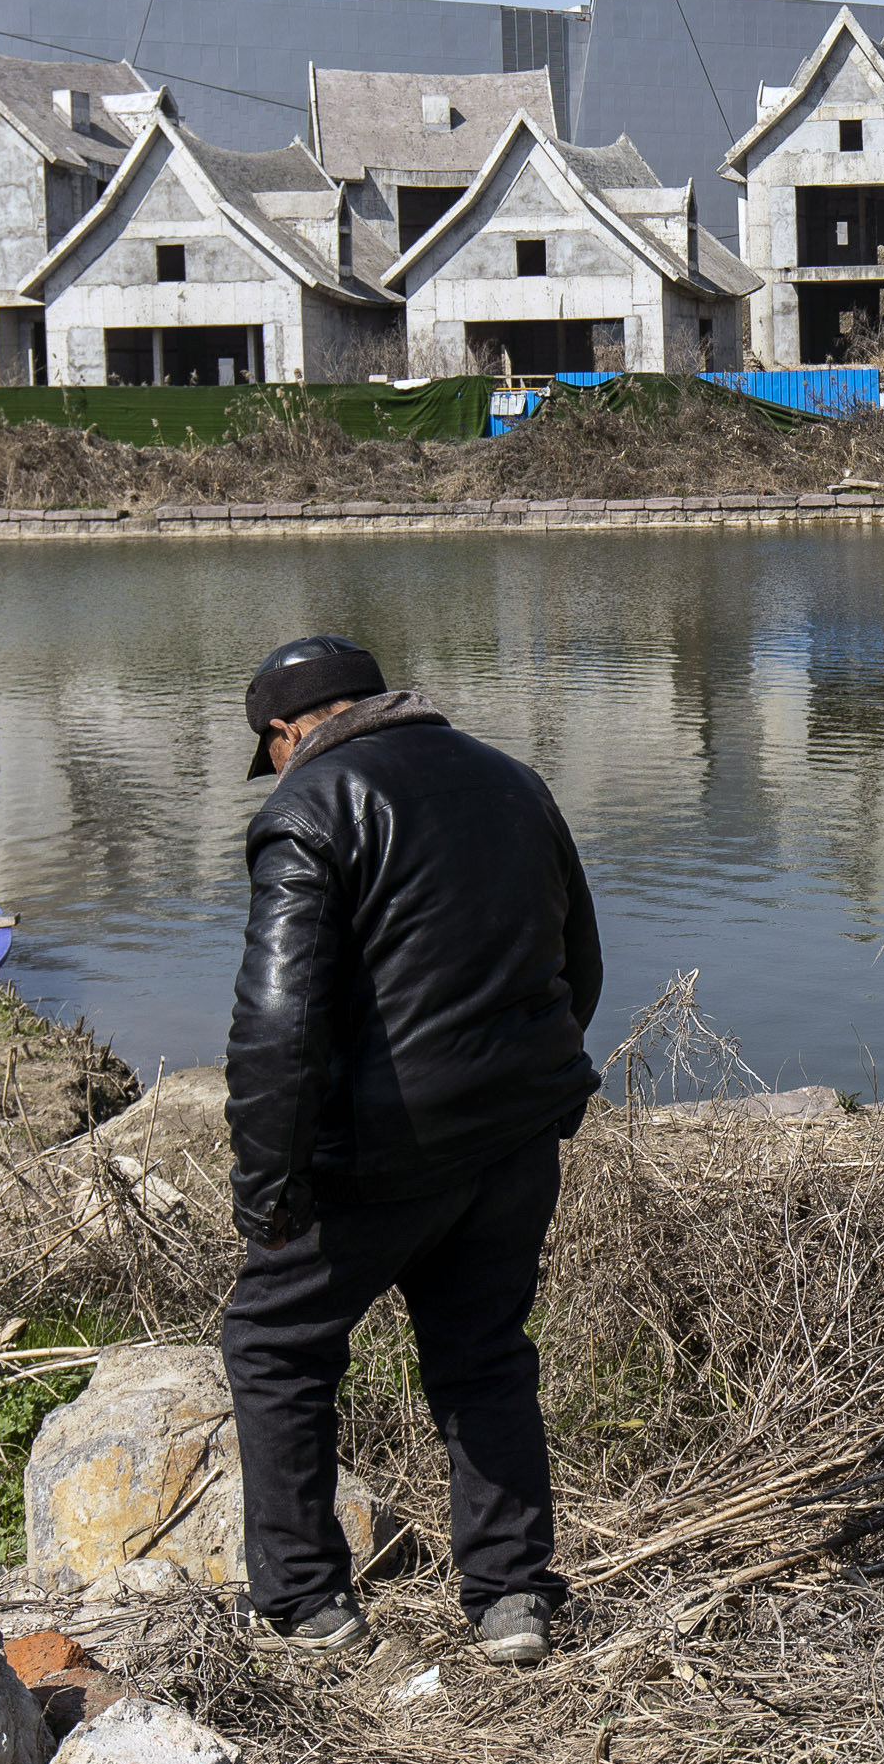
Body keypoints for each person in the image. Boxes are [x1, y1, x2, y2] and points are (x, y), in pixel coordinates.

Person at [217, 634, 603, 1665]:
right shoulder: (513, 781)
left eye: (277, 748)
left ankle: (306, 1603)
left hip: (383, 1154)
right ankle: (513, 1599)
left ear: (287, 731)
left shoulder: (305, 806)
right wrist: (521, 1088)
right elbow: (579, 965)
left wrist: (270, 1177)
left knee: (275, 1344)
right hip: (514, 1136)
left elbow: (277, 1023)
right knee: (482, 1354)